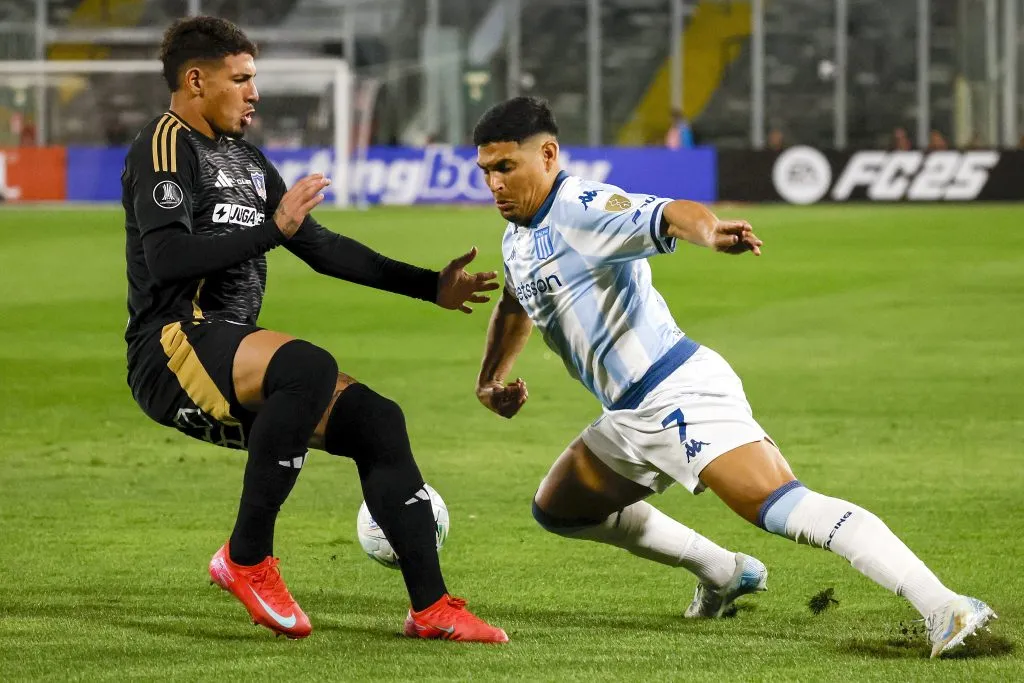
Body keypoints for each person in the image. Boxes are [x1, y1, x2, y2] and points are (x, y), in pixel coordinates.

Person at [471, 96, 995, 658]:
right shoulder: (518, 234)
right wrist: (491, 378)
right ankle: (725, 573)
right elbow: (515, 299)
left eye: (506, 168)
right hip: (626, 414)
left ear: (547, 155)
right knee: (561, 508)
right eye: (486, 172)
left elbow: (671, 212)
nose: (495, 184)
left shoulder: (583, 206)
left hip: (679, 393)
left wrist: (712, 231)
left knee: (780, 507)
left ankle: (945, 605)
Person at [122, 16, 508, 643]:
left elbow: (321, 247)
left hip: (226, 348)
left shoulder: (246, 159)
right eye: (241, 79)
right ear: (196, 80)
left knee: (378, 420)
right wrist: (272, 229)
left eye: (254, 80)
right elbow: (167, 260)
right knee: (307, 366)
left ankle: (431, 608)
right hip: (171, 346)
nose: (254, 93)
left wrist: (428, 286)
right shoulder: (163, 145)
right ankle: (246, 559)